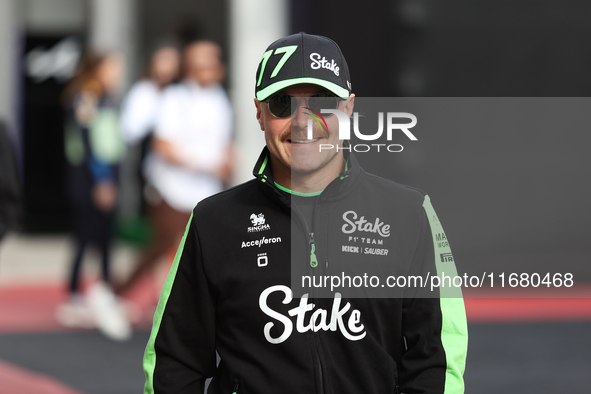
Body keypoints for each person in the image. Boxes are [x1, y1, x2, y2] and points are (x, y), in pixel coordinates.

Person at [143, 33, 468, 393]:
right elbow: (173, 363)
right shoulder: (212, 222)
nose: (302, 120)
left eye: (322, 101)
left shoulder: (408, 212)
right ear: (259, 113)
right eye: (283, 103)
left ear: (348, 108)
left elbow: (438, 355)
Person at [114, 40, 234, 296]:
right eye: (201, 65)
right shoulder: (174, 97)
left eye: (212, 64)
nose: (208, 70)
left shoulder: (221, 99)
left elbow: (222, 142)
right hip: (171, 189)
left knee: (204, 252)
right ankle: (117, 294)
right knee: (159, 247)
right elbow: (163, 146)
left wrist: (226, 162)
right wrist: (208, 165)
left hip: (205, 191)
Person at [57, 51, 131, 341]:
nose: (117, 73)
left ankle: (104, 293)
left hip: (109, 175)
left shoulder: (108, 97)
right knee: (85, 235)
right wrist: (101, 181)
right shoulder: (86, 95)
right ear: (97, 69)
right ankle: (73, 297)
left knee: (105, 237)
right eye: (113, 68)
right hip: (89, 177)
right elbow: (88, 142)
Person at [120, 42, 181, 218]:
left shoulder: (179, 92)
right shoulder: (143, 92)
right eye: (163, 60)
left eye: (172, 61)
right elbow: (130, 130)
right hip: (149, 165)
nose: (167, 67)